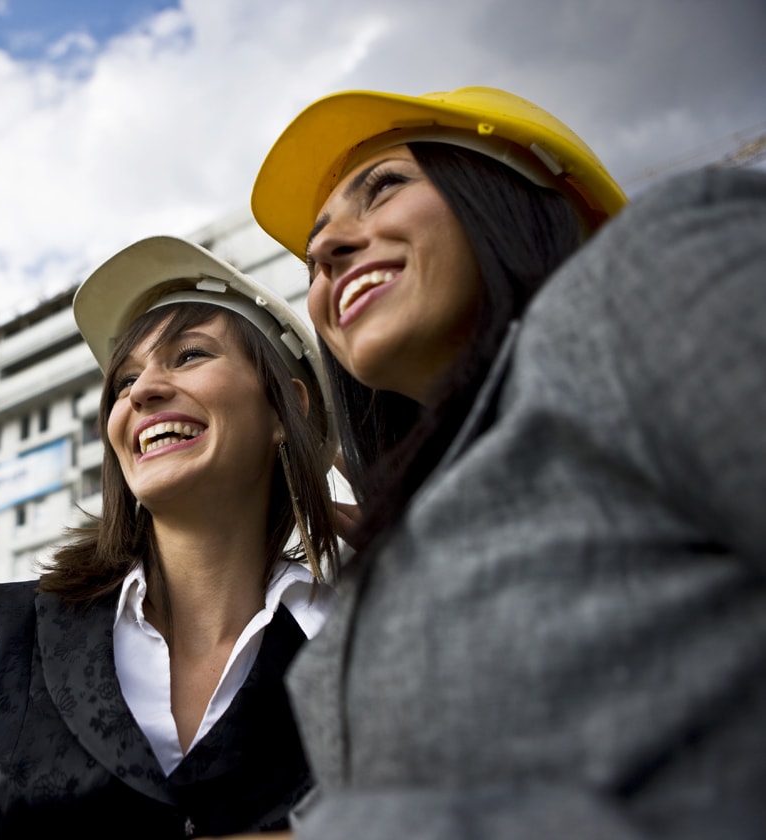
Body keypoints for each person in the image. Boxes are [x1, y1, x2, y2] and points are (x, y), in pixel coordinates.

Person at [240, 86, 766, 837]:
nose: (323, 253)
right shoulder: (380, 575)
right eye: (316, 248)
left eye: (384, 186)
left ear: (507, 192)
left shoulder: (642, 280)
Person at [0, 235, 342, 838]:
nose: (140, 392)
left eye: (190, 355)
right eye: (124, 382)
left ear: (285, 410)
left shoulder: (367, 641)